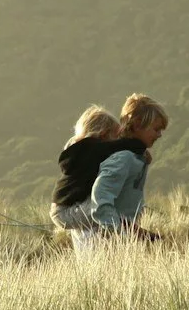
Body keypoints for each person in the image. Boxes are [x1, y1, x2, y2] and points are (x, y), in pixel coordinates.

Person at [74, 94, 169, 248]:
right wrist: (121, 235)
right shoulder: (123, 158)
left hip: (110, 237)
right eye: (156, 129)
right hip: (102, 241)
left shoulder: (134, 155)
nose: (159, 134)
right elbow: (100, 201)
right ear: (137, 124)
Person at [51, 105, 134, 246]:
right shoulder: (91, 153)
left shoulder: (80, 151)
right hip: (66, 212)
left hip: (68, 209)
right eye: (116, 137)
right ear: (102, 136)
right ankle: (127, 237)